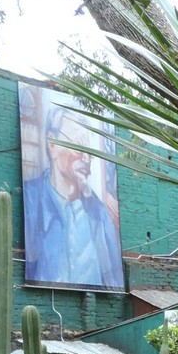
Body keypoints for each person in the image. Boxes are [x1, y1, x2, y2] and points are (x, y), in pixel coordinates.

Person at [23, 105, 123, 289]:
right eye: (78, 147)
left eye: (89, 153)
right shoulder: (30, 199)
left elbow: (114, 279)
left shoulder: (98, 212)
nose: (85, 158)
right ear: (52, 145)